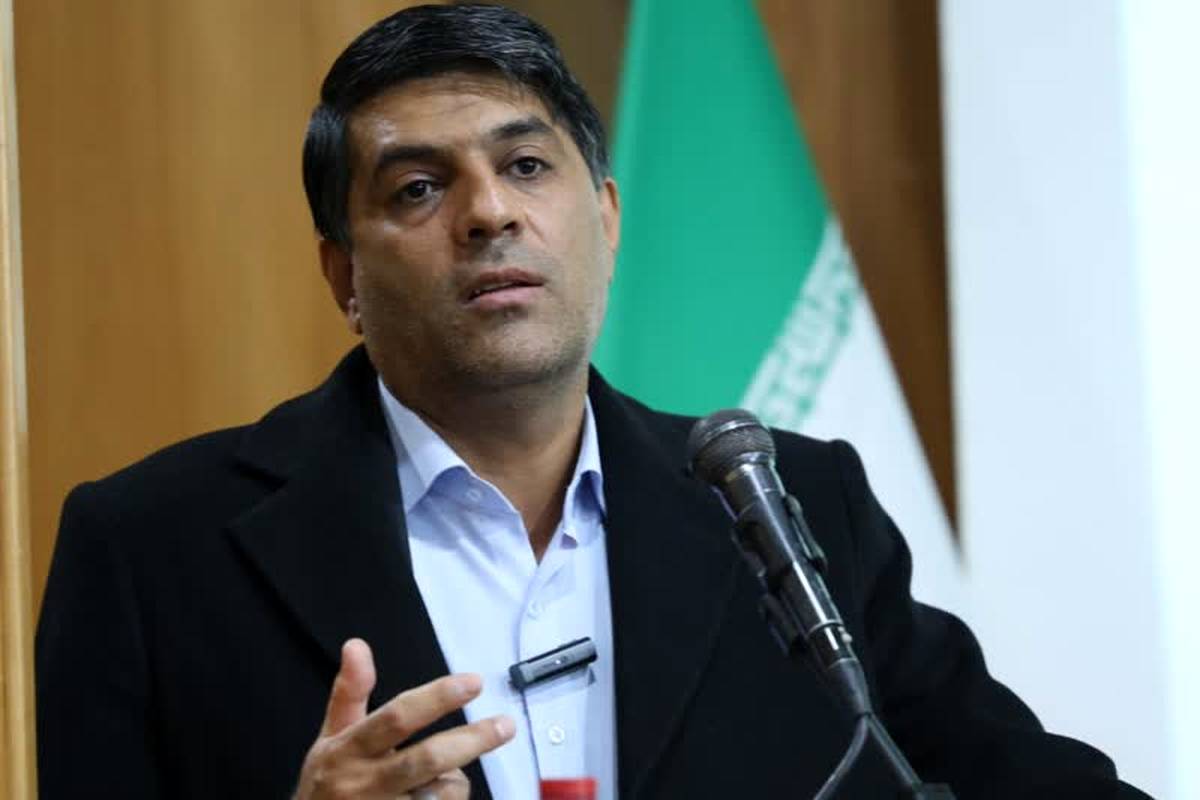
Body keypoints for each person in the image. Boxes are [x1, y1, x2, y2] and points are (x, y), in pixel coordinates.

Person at [35, 4, 1151, 799]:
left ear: (607, 219)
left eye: (527, 166)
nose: (489, 214)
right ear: (346, 279)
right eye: (419, 187)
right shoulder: (152, 549)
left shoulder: (793, 503)